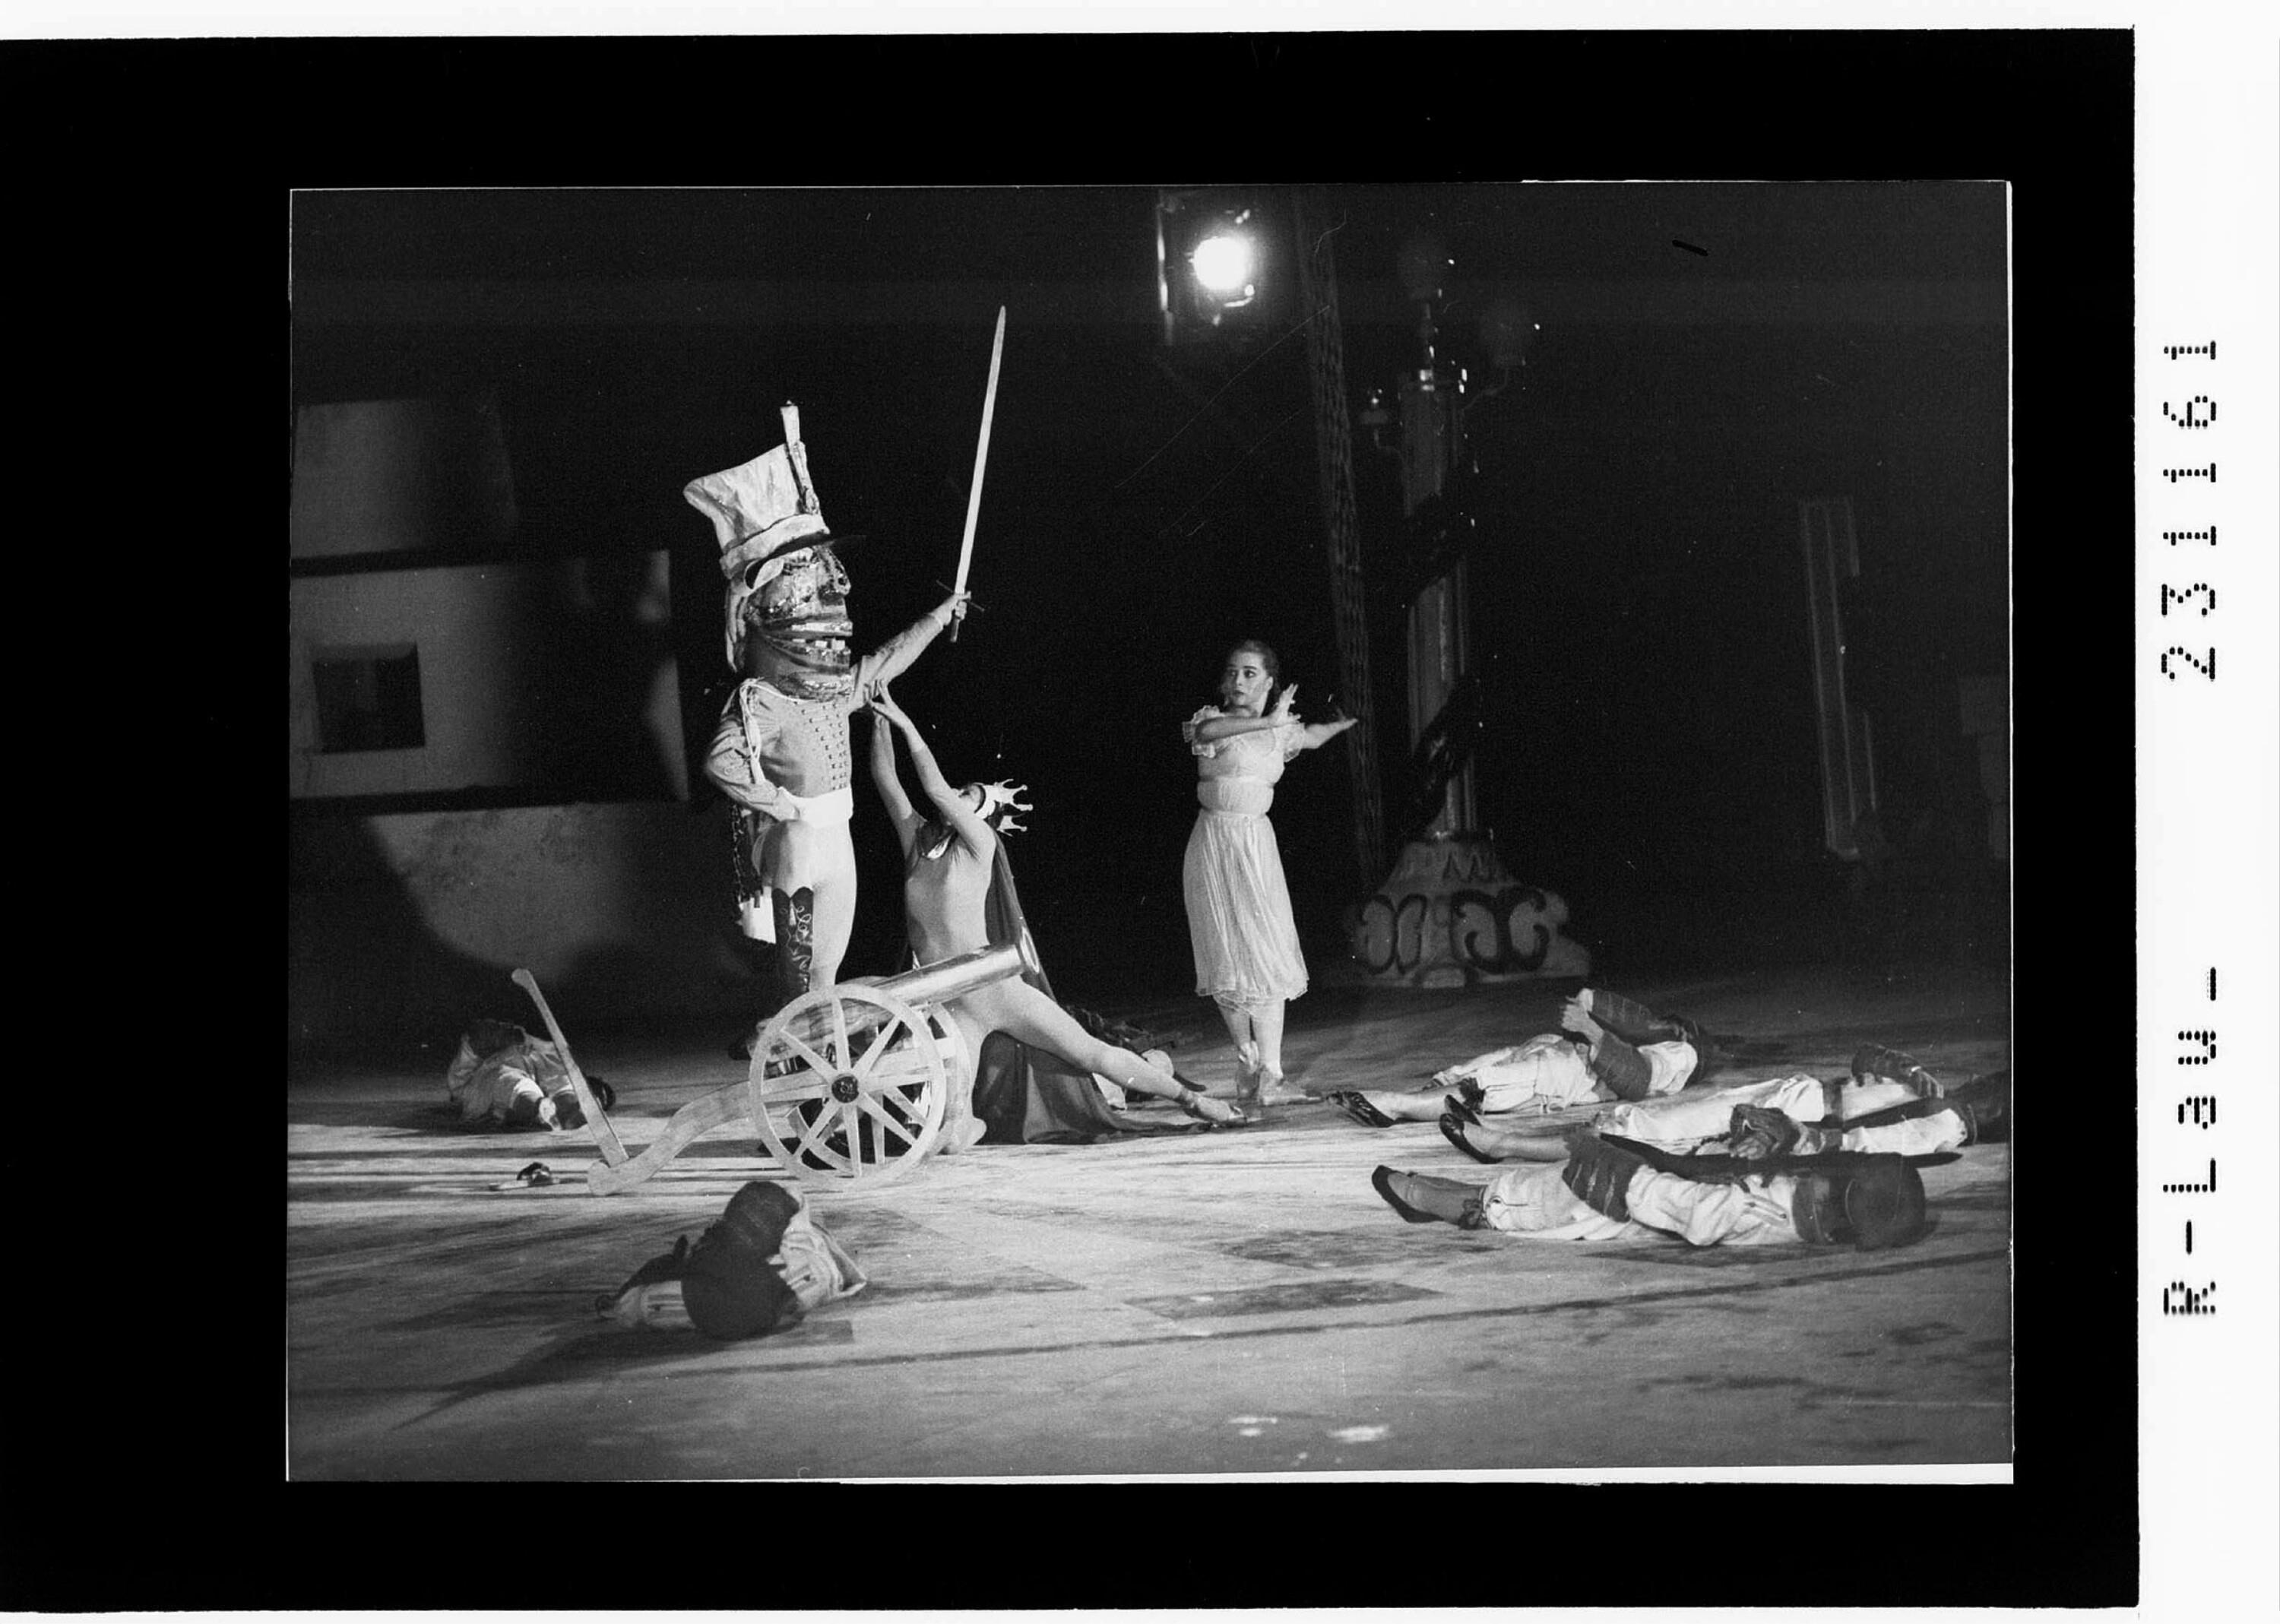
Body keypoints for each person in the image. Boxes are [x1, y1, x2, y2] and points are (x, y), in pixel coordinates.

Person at [686, 404, 969, 1039]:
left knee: (826, 973)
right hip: (796, 838)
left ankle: (810, 1060)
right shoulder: (763, 698)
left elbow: (885, 661)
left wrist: (938, 616)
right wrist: (780, 804)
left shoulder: (834, 691)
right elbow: (720, 760)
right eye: (805, 579)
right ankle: (788, 1055)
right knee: (797, 978)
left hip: (835, 835)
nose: (825, 591)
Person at [869, 689, 1248, 1136]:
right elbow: (885, 778)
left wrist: (905, 722)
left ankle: (1193, 1100)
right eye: (959, 790)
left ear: (983, 815)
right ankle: (970, 1125)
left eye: (968, 795)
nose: (955, 794)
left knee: (1090, 1053)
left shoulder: (980, 845)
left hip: (995, 991)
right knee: (953, 1134)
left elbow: (933, 788)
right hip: (953, 1006)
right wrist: (877, 715)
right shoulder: (917, 843)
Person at [1181, 638, 1360, 1110]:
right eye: (1233, 672)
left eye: (1250, 673)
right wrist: (1270, 720)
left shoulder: (1279, 732)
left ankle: (1272, 1073)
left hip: (1254, 844)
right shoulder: (1211, 721)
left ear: (1269, 681)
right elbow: (1212, 731)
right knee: (1225, 950)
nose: (1238, 680)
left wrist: (1343, 723)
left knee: (1265, 947)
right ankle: (1246, 1057)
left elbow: (1311, 737)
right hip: (1214, 843)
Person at [1368, 1125, 1929, 1252]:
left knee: (1506, 1199)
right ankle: (1440, 1193)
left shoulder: (1755, 1205)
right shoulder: (1790, 1199)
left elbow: (1690, 1210)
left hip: (1602, 1204)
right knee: (1518, 1184)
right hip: (1630, 1191)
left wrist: (1616, 1165)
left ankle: (1422, 1199)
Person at [1437, 1041, 2009, 1165]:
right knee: (1645, 1121)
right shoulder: (1935, 1092)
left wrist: (1791, 1137)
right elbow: (1864, 1059)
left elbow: (1860, 1143)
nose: (1983, 1083)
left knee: (1639, 1133)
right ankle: (1497, 1135)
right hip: (1796, 1092)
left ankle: (1500, 1143)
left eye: (1995, 1090)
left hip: (1797, 1116)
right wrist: (1903, 1067)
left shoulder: (1945, 1123)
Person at [1325, 986, 1710, 1129]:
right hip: (1560, 1054)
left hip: (1569, 1074)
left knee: (1488, 1084)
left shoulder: (1681, 1054)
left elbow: (1638, 1082)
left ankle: (1394, 1106)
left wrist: (1590, 1029)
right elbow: (1624, 1023)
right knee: (1483, 1067)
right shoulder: (1653, 1037)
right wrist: (1588, 1012)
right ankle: (1419, 1100)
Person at [443, 1018, 613, 1132]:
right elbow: (481, 1035)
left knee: (560, 1075)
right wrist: (523, 1040)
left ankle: (571, 1106)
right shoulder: (464, 1080)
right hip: (492, 1078)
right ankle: (539, 1109)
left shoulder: (540, 1052)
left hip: (536, 1065)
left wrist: (536, 1044)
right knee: (510, 1082)